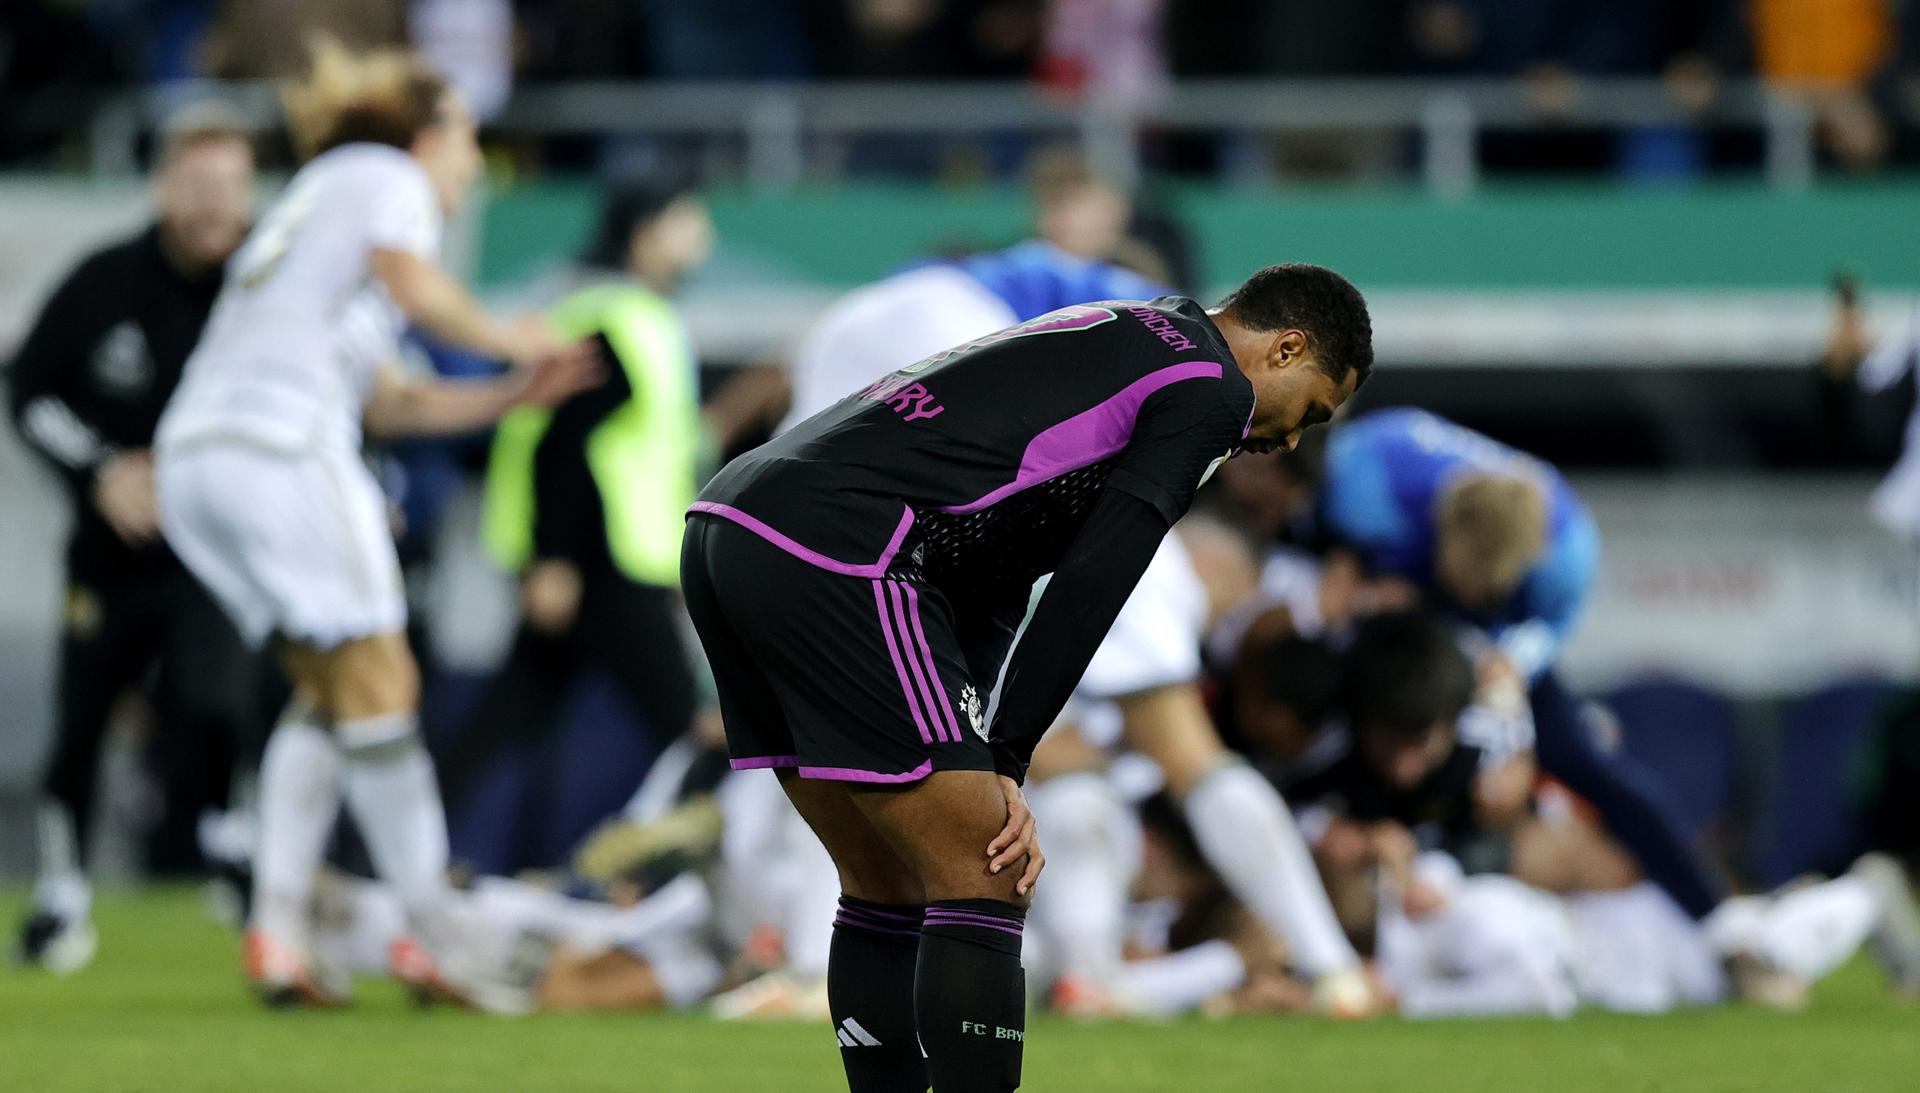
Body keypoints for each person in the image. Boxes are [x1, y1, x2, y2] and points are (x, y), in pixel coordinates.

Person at [682, 263, 1372, 1092]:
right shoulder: (1211, 389)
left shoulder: (1139, 327)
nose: (1294, 439)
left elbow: (998, 567)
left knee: (888, 883)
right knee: (990, 868)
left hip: (736, 524)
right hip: (843, 549)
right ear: (1286, 346)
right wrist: (1006, 760)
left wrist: (981, 744)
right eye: (1313, 410)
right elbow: (1093, 583)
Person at [152, 40, 596, 1006]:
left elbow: (390, 401)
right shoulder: (383, 175)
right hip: (280, 445)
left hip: (201, 458)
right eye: (469, 139)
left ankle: (277, 932)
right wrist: (511, 333)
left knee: (329, 688)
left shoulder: (320, 212)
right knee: (385, 673)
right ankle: (432, 933)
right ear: (428, 135)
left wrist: (510, 395)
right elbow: (412, 281)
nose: (473, 164)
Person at [7, 103, 259, 973]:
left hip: (215, 547)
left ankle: (231, 838)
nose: (212, 207)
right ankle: (64, 889)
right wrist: (105, 470)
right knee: (81, 721)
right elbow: (31, 390)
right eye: (195, 186)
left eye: (228, 187)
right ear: (162, 189)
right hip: (112, 555)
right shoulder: (104, 281)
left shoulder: (267, 284)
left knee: (216, 700)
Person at [1316, 408, 1731, 922]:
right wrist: (1351, 584)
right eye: (1461, 581)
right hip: (1395, 605)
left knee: (1584, 762)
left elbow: (1526, 653)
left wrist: (1512, 728)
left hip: (1490, 631)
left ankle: (1719, 921)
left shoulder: (1566, 553)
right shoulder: (1367, 476)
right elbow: (1319, 570)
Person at [437, 180, 717, 829]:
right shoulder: (614, 318)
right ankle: (681, 883)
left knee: (509, 717)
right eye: (688, 218)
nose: (703, 237)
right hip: (601, 561)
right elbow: (562, 441)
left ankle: (388, 863)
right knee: (692, 729)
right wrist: (554, 557)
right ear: (647, 230)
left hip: (612, 559)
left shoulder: (631, 315)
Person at [1026, 531, 1375, 1018]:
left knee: (1027, 956)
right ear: (1215, 568)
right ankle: (1333, 970)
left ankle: (1088, 985)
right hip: (1072, 523)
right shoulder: (1156, 559)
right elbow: (1182, 757)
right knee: (1146, 775)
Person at [778, 154, 1165, 431]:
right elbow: (1179, 317)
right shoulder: (1056, 269)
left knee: (797, 459)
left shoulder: (997, 268)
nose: (1072, 223)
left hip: (857, 317)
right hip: (935, 317)